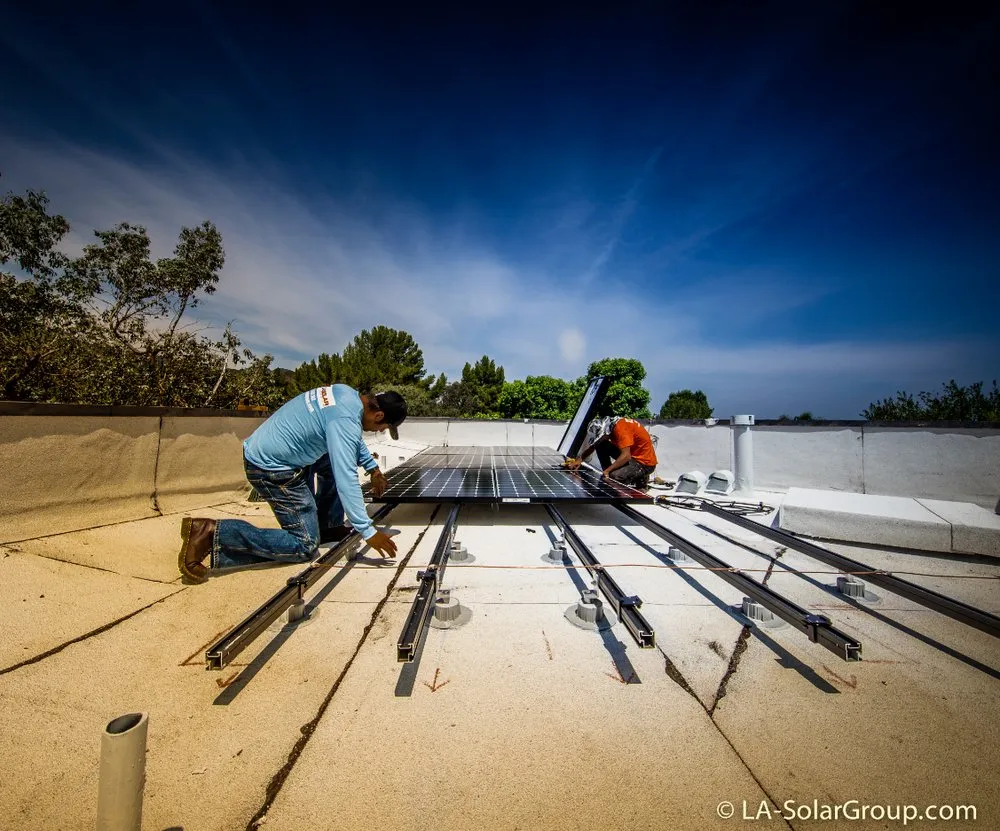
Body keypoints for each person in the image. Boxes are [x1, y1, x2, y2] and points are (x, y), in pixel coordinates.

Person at [177, 386, 407, 583]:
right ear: (378, 416)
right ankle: (212, 533)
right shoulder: (345, 420)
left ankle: (325, 525)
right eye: (383, 428)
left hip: (267, 448)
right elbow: (346, 476)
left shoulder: (346, 394)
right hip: (271, 469)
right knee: (304, 546)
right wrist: (366, 530)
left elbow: (350, 440)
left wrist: (373, 468)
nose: (380, 431)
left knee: (329, 459)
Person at [569, 415, 657, 488]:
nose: (600, 439)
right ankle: (609, 474)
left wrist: (608, 471)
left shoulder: (621, 429)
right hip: (633, 456)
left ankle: (641, 477)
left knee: (615, 477)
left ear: (605, 431)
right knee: (601, 445)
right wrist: (579, 460)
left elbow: (626, 456)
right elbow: (596, 445)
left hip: (644, 463)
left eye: (600, 436)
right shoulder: (612, 425)